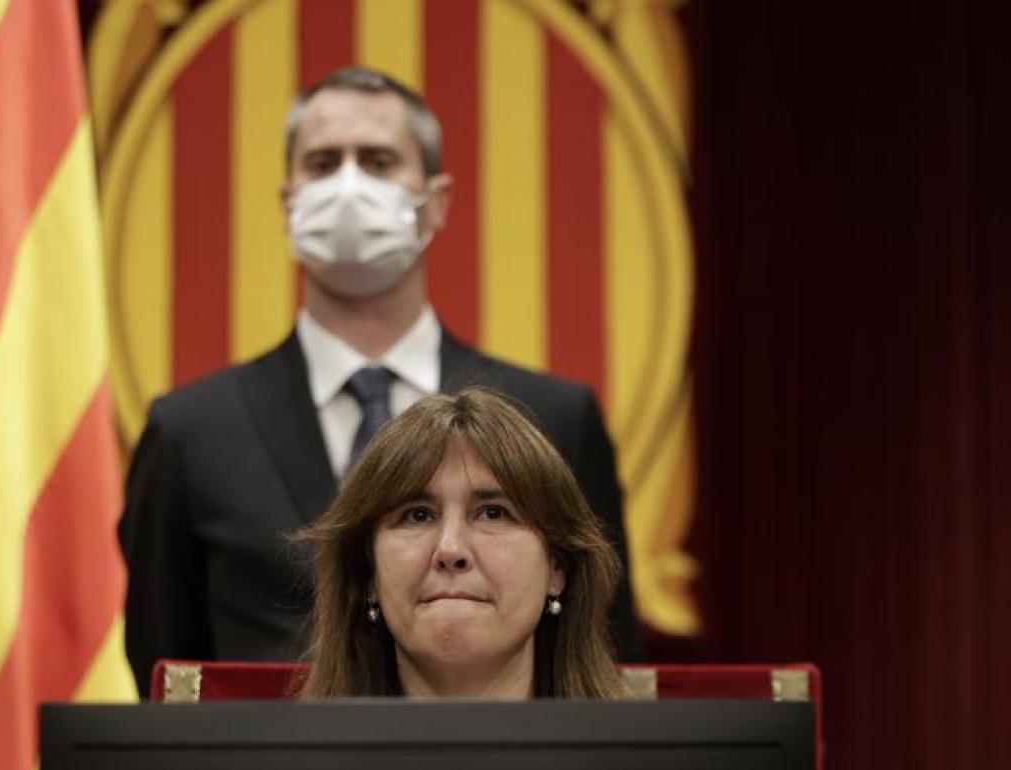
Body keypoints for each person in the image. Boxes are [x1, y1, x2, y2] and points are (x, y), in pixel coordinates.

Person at [119, 66, 638, 697]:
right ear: (289, 203)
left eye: (378, 161)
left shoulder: (552, 417)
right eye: (323, 163)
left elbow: (603, 650)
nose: (348, 186)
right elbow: (164, 673)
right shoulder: (190, 430)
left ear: (435, 202)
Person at [298, 388, 624, 699]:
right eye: (418, 516)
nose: (450, 549)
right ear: (368, 572)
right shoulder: (294, 743)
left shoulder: (635, 742)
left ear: (557, 567)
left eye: (493, 513)